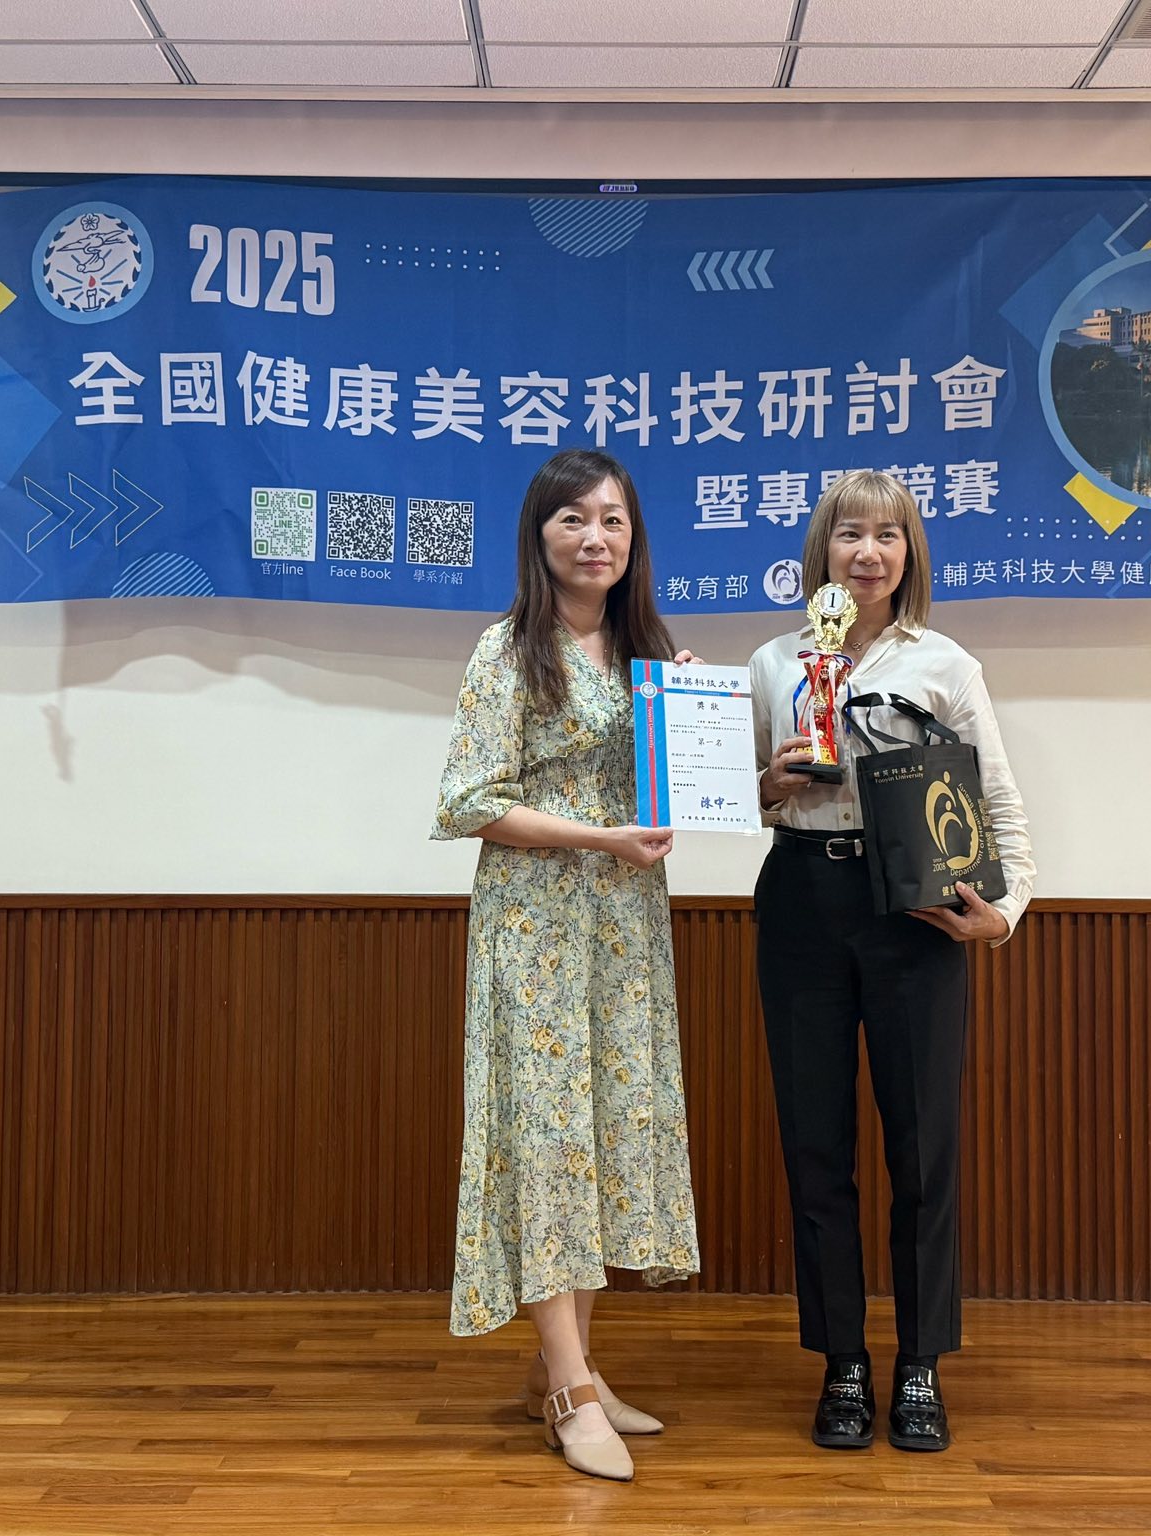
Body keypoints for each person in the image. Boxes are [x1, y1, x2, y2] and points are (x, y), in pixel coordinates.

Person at [748, 469, 1035, 1453]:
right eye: (848, 535)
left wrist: (1002, 914)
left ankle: (918, 1363)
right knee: (815, 1147)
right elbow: (730, 796)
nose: (867, 553)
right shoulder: (773, 662)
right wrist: (767, 782)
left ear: (909, 553)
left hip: (914, 908)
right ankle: (842, 1363)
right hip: (801, 900)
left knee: (923, 1147)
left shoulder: (944, 664)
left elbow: (996, 801)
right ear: (820, 551)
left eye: (887, 535)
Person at [432, 448, 702, 1483]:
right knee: (547, 1139)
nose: (596, 538)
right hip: (536, 924)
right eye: (573, 520)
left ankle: (571, 1369)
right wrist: (599, 839)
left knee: (600, 1133)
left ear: (635, 539)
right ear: (538, 535)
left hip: (625, 928)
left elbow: (675, 789)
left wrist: (711, 734)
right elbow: (470, 801)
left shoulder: (647, 654)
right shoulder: (506, 650)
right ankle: (570, 1391)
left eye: (613, 520)